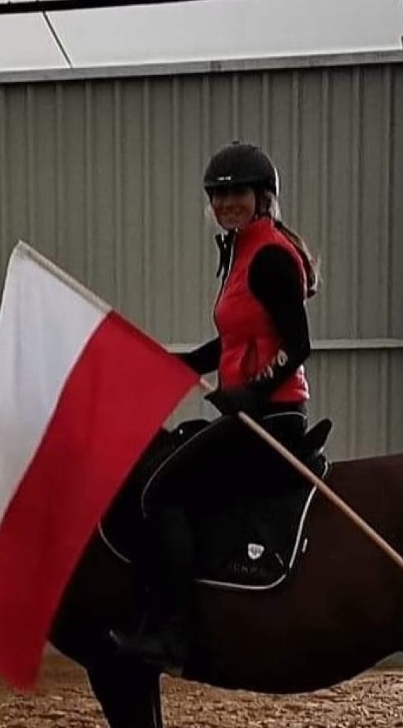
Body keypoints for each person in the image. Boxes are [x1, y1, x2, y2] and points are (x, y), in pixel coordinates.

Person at [112, 140, 320, 674]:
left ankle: (176, 634)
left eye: (238, 194)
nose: (227, 203)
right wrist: (174, 364)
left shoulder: (270, 255)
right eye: (219, 195)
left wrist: (252, 392)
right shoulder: (239, 253)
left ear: (262, 199)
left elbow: (298, 344)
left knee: (160, 492)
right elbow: (229, 345)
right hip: (247, 411)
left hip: (271, 416)